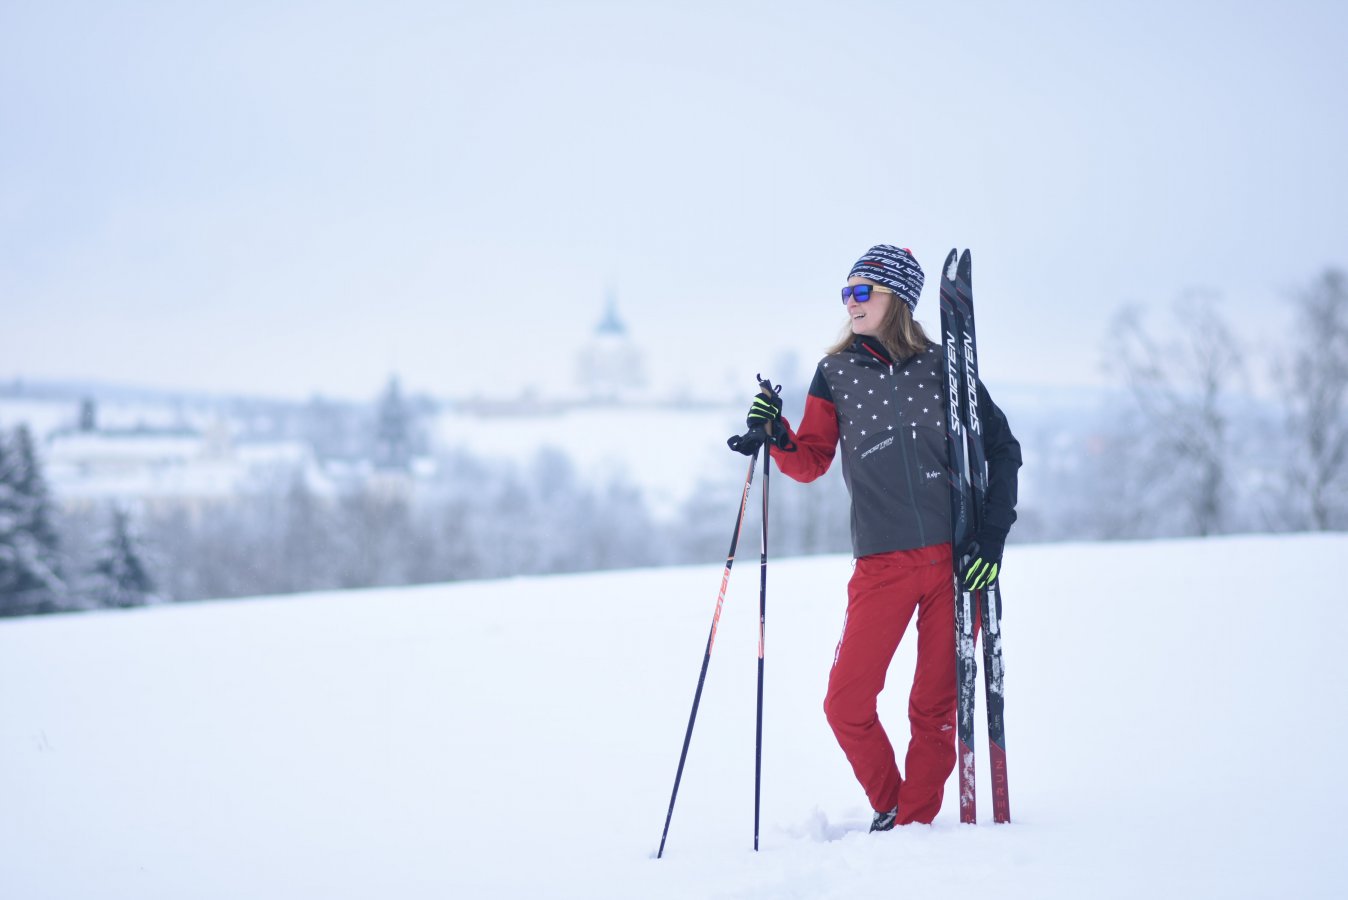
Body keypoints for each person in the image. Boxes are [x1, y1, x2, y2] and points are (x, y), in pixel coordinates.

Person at [745, 244, 1021, 831]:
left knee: (934, 707)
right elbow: (812, 460)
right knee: (845, 703)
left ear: (897, 298)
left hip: (953, 562)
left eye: (862, 290)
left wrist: (992, 540)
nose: (851, 302)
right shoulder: (836, 373)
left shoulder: (947, 367)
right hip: (882, 565)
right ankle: (893, 802)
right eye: (845, 292)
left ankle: (914, 825)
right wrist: (776, 433)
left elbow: (1002, 450)